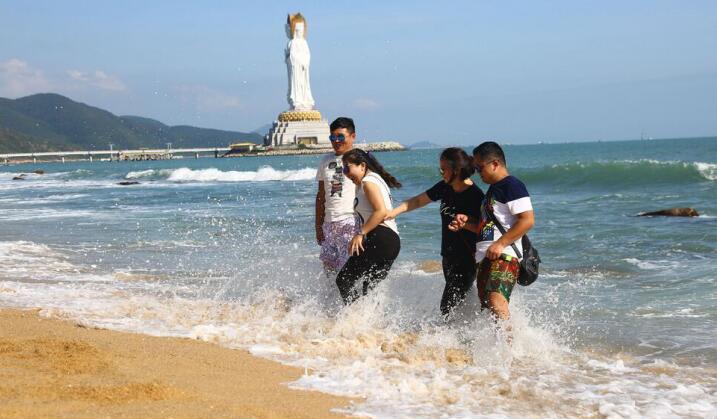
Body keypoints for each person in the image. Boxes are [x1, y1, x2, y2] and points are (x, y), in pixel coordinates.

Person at [386, 148, 484, 318]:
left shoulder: (475, 196)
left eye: (443, 169)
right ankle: (463, 337)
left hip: (467, 260)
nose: (441, 174)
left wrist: (465, 224)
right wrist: (394, 212)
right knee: (457, 302)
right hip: (448, 257)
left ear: (457, 170)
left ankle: (446, 340)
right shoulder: (445, 187)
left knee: (447, 308)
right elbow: (418, 200)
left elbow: (483, 229)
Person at [450, 142, 534, 321]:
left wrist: (500, 243)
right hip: (486, 257)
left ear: (495, 164)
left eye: (480, 168)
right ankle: (499, 347)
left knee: (496, 302)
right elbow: (487, 227)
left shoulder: (512, 185)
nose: (478, 173)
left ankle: (510, 348)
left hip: (503, 255)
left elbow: (527, 220)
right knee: (489, 310)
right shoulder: (493, 191)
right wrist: (466, 223)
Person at [336, 149, 402, 304]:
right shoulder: (375, 180)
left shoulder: (368, 182)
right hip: (392, 242)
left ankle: (352, 317)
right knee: (369, 290)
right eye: (342, 169)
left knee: (343, 280)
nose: (345, 173)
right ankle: (371, 324)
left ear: (362, 166)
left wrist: (361, 233)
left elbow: (380, 212)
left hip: (381, 238)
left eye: (347, 168)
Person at [315, 117, 358, 279]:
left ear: (352, 136)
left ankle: (353, 304)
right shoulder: (325, 160)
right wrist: (318, 226)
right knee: (329, 272)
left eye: (341, 137)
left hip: (350, 222)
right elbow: (321, 196)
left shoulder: (360, 160)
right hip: (328, 224)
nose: (337, 141)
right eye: (333, 138)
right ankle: (331, 304)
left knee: (348, 273)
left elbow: (370, 191)